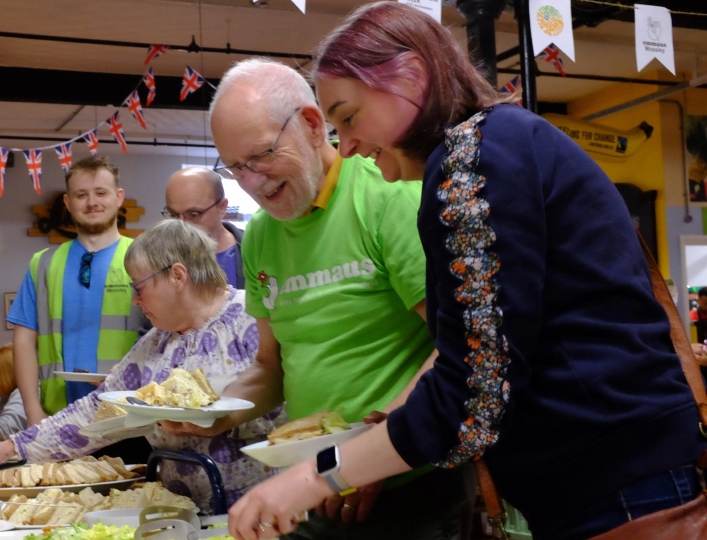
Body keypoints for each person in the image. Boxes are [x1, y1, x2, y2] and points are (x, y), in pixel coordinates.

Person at [226, 4, 707, 540]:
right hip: (615, 478)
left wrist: (313, 477)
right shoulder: (498, 144)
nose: (349, 144)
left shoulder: (473, 157)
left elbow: (472, 390)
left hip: (616, 489)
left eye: (350, 116)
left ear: (412, 76)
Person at [165, 58, 472, 539]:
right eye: (236, 167)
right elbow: (271, 366)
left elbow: (457, 348)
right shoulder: (262, 234)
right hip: (313, 488)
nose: (252, 183)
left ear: (311, 124)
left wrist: (370, 458)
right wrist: (213, 415)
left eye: (262, 156)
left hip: (412, 483)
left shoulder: (386, 200)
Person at [0, 220, 285, 513]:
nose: (135, 301)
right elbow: (96, 412)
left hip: (264, 510)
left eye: (139, 288)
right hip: (184, 515)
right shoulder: (157, 341)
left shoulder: (251, 319)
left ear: (177, 275)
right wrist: (12, 446)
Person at [6, 156, 142, 426]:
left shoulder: (144, 256)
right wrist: (33, 412)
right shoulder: (43, 263)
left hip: (131, 417)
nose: (92, 202)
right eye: (81, 195)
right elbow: (23, 342)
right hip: (57, 418)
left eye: (101, 193)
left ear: (119, 197)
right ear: (68, 203)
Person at [165, 167, 245, 288]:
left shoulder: (256, 250)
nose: (182, 225)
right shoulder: (159, 259)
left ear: (222, 207)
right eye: (174, 215)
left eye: (193, 215)